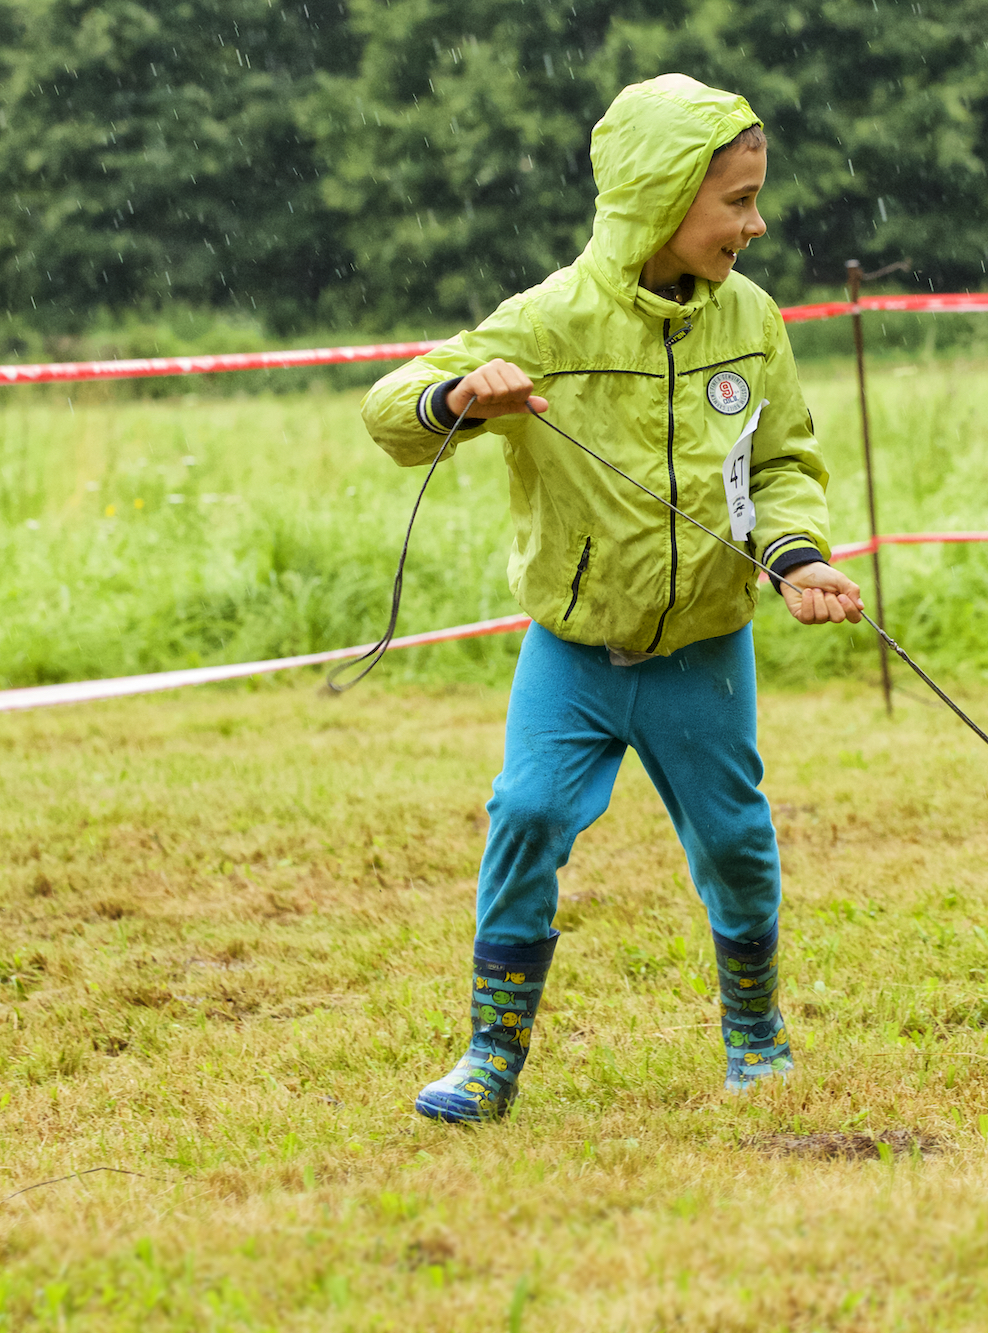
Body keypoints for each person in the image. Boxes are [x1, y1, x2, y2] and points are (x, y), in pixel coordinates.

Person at [361, 74, 864, 1123]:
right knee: (528, 814)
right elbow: (389, 414)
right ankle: (490, 1057)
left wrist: (797, 557)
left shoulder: (753, 320)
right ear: (660, 195)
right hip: (575, 652)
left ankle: (756, 1039)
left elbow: (780, 463)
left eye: (755, 196)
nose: (755, 223)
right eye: (735, 200)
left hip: (705, 649)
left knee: (733, 840)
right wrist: (458, 395)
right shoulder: (546, 319)